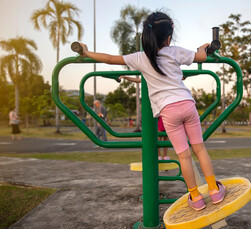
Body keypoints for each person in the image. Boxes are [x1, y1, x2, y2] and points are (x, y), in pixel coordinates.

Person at [79, 11, 225, 211]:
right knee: (199, 149)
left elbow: (110, 59)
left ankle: (196, 197)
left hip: (168, 111)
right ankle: (215, 191)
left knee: (183, 156)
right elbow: (200, 55)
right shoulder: (174, 51)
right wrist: (203, 48)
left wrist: (87, 53)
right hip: (187, 104)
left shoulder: (140, 58)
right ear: (168, 37)